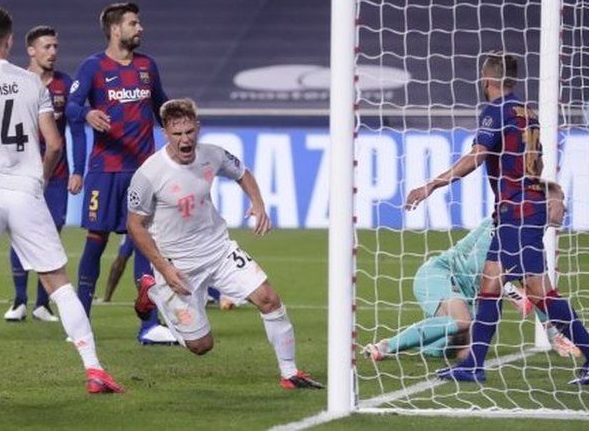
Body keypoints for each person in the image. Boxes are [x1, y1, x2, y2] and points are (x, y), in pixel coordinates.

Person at [0, 6, 123, 395]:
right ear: (9, 41)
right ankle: (94, 369)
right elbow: (54, 144)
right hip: (25, 189)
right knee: (58, 282)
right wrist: (40, 179)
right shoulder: (31, 83)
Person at [405, 51, 589, 384]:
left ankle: (477, 364)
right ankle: (473, 364)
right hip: (519, 210)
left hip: (518, 212)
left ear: (486, 78)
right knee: (490, 286)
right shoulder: (527, 112)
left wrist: (432, 184)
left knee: (539, 293)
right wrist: (546, 192)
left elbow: (477, 156)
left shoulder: (497, 110)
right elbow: (536, 166)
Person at [129, 98, 323, 389]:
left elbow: (242, 172)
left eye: (189, 132)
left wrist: (258, 203)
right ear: (165, 133)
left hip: (219, 251)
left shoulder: (213, 154)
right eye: (177, 133)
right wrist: (164, 269)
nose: (185, 140)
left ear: (198, 128)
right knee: (201, 346)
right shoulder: (149, 174)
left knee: (269, 299)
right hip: (177, 265)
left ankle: (290, 373)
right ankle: (153, 292)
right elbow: (135, 225)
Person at [66, 1, 176, 344]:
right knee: (95, 242)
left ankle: (149, 325)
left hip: (143, 172)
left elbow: (162, 108)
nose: (140, 28)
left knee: (144, 243)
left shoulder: (147, 66)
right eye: (133, 23)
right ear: (116, 29)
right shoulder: (93, 66)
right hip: (105, 171)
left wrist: (179, 128)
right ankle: (80, 322)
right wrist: (87, 114)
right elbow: (71, 105)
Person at [362, 213, 579, 361]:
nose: (564, 208)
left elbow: (540, 292)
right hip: (442, 274)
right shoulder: (500, 224)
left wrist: (554, 335)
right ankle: (385, 346)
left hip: (470, 294)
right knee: (463, 320)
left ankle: (424, 343)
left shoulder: (531, 243)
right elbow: (476, 268)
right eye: (559, 201)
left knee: (466, 353)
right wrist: (512, 292)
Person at [3, 26, 85, 323]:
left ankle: (42, 304)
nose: (52, 52)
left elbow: (77, 131)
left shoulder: (66, 84)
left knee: (50, 235)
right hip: (22, 173)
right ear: (31, 51)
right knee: (20, 232)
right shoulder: (15, 83)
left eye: (55, 47)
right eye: (46, 47)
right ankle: (19, 300)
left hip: (57, 174)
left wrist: (79, 170)